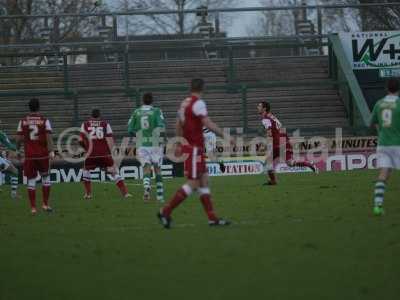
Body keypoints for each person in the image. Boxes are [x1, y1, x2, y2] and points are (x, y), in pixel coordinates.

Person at [157, 78, 231, 228]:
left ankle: (212, 218)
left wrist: (178, 142)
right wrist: (226, 136)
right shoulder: (199, 103)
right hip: (194, 148)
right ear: (202, 88)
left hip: (190, 147)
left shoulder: (184, 103)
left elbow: (177, 123)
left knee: (204, 180)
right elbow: (208, 123)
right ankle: (165, 211)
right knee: (194, 182)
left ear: (190, 88)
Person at [257, 101, 317, 185]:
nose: (257, 107)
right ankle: (309, 164)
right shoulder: (271, 116)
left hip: (277, 143)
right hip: (283, 141)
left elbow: (269, 133)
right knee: (290, 163)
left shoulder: (265, 118)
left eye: (259, 106)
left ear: (264, 108)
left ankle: (273, 181)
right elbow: (279, 126)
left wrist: (265, 145)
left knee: (268, 162)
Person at [80, 109, 131, 199]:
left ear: (91, 116)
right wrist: (113, 154)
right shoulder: (105, 124)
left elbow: (80, 140)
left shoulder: (84, 124)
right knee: (113, 172)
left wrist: (86, 149)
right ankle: (125, 193)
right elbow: (110, 141)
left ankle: (88, 194)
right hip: (104, 154)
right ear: (100, 116)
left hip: (90, 154)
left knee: (86, 170)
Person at [16, 98, 54, 215]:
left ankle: (33, 208)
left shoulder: (22, 121)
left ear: (29, 107)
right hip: (42, 155)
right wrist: (51, 151)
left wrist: (18, 149)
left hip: (30, 156)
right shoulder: (44, 120)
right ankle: (45, 204)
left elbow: (18, 139)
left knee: (31, 180)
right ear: (39, 107)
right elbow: (48, 137)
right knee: (46, 178)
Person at [128, 92, 165, 202]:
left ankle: (146, 189)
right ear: (152, 100)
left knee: (146, 169)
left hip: (142, 144)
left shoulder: (136, 112)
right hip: (155, 143)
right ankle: (159, 196)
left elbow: (130, 129)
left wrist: (138, 136)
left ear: (143, 101)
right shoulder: (156, 111)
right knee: (158, 169)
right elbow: (161, 126)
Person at [370, 78, 400, 216]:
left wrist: (381, 133)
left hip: (383, 144)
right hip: (397, 143)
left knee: (384, 173)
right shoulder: (399, 103)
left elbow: (373, 122)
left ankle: (378, 205)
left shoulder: (379, 103)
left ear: (387, 88)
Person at [0, 130, 19, 199]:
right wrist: (15, 149)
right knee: (14, 171)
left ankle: (13, 194)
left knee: (13, 170)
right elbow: (9, 145)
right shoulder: (1, 134)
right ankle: (13, 194)